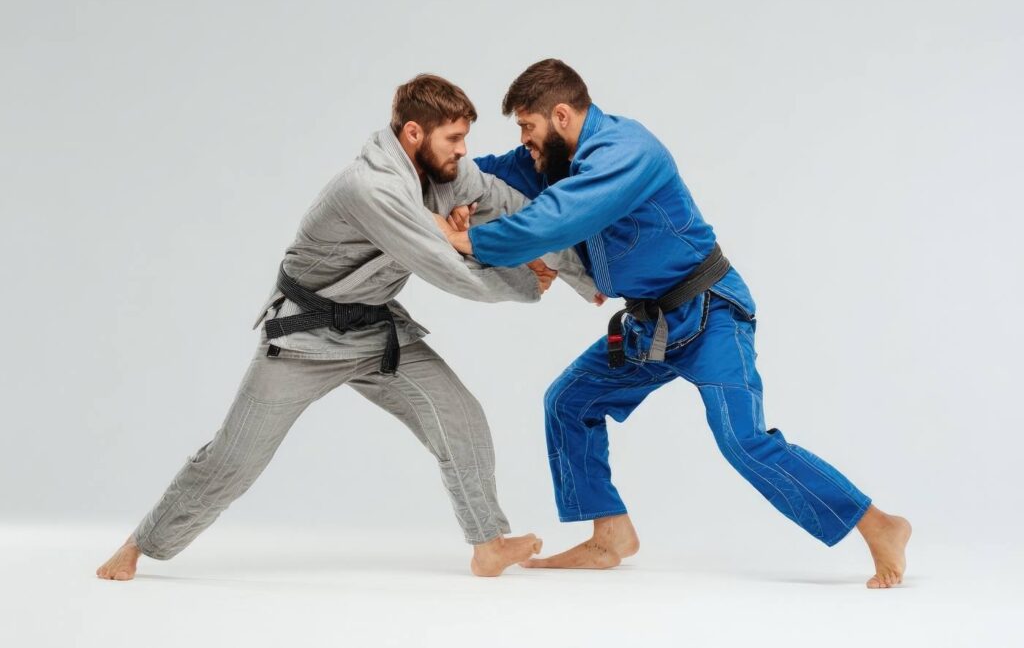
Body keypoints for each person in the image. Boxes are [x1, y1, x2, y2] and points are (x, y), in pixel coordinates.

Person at [95, 73, 599, 581]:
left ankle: (487, 543)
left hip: (375, 331)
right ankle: (141, 545)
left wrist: (582, 279)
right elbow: (444, 268)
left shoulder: (448, 174)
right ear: (412, 134)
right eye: (454, 139)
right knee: (233, 460)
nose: (464, 151)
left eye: (465, 138)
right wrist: (526, 285)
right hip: (302, 337)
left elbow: (513, 208)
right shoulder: (370, 188)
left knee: (461, 418)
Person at [443, 59, 912, 589]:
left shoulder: (627, 151)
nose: (524, 141)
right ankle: (610, 535)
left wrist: (469, 241)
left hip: (709, 312)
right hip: (650, 324)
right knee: (570, 402)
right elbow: (487, 175)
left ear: (562, 115)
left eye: (528, 128)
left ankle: (879, 525)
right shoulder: (557, 154)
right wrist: (438, 188)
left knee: (742, 439)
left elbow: (558, 218)